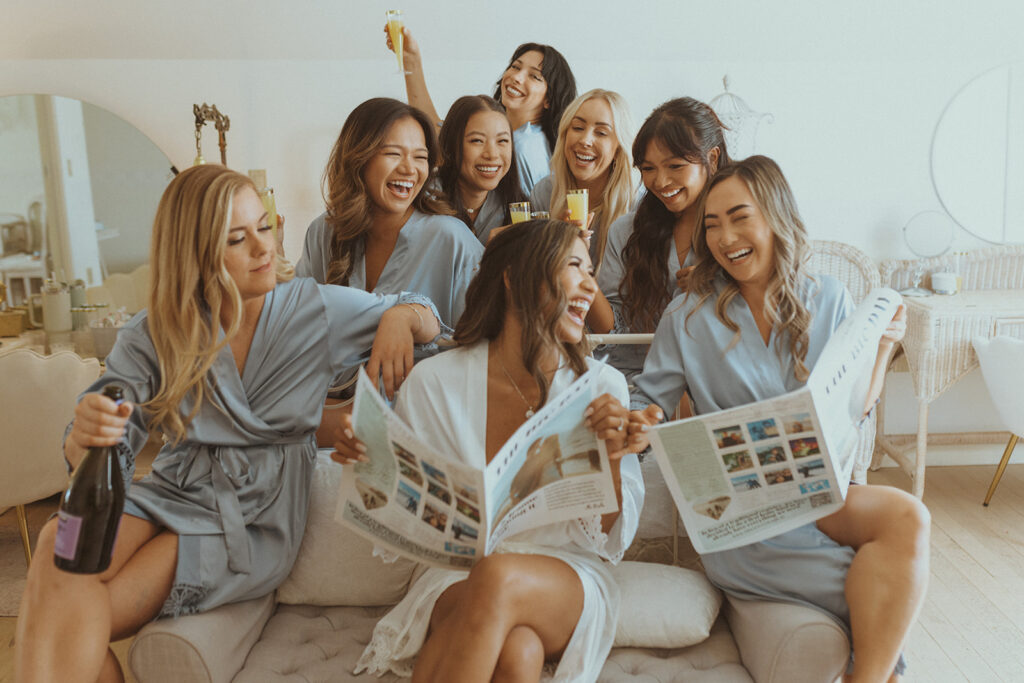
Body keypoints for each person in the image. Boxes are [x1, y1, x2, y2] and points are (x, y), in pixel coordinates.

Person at [14, 165, 442, 682]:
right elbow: (104, 456)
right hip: (171, 487)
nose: (263, 248)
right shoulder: (155, 332)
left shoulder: (313, 310)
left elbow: (428, 315)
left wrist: (397, 318)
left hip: (249, 511)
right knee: (59, 541)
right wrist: (88, 435)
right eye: (238, 239)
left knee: (78, 609)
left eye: (264, 227)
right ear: (194, 254)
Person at [633, 156, 930, 682]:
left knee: (910, 518)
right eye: (712, 224)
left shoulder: (829, 297)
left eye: (740, 217)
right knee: (876, 588)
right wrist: (642, 421)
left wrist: (884, 348)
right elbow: (646, 405)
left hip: (819, 491)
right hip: (746, 509)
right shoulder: (686, 317)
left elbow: (855, 405)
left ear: (775, 216)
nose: (725, 237)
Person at [333, 220, 659, 682]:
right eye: (574, 266)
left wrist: (614, 454)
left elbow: (603, 539)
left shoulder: (600, 387)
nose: (590, 285)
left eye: (591, 270)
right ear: (512, 276)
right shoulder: (434, 383)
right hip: (455, 576)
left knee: (498, 576)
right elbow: (403, 519)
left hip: (565, 573)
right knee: (518, 652)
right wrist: (369, 464)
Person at [296, 98, 483, 440]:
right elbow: (296, 333)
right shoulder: (323, 233)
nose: (410, 169)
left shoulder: (450, 238)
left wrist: (406, 318)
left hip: (422, 436)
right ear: (359, 157)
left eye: (421, 157)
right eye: (393, 153)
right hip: (329, 432)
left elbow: (484, 355)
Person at [596, 97, 728, 386]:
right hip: (637, 380)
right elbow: (612, 333)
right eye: (648, 168)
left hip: (716, 380)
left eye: (675, 166)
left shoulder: (739, 229)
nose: (660, 181)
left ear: (713, 158)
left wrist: (718, 286)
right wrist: (580, 279)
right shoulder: (625, 231)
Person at [386, 27, 577, 196]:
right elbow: (440, 132)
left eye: (534, 76)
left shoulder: (524, 144)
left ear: (549, 99)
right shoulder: (525, 135)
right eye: (515, 67)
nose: (517, 77)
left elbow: (446, 149)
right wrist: (411, 62)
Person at [528, 89, 636, 275]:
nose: (585, 140)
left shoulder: (636, 207)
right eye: (578, 128)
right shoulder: (545, 192)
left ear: (619, 149)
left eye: (601, 133)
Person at [435, 94, 526, 243]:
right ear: (451, 145)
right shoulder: (426, 203)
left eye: (502, 140)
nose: (492, 154)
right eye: (477, 140)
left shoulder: (515, 207)